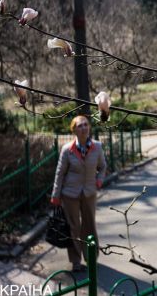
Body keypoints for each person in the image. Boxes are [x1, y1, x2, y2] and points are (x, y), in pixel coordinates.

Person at [50, 115, 107, 272]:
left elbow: (102, 166)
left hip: (89, 192)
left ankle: (91, 257)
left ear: (89, 128)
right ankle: (75, 260)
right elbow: (60, 173)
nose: (83, 128)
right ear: (73, 129)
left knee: (89, 225)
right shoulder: (67, 150)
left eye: (86, 125)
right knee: (73, 227)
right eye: (80, 125)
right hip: (70, 194)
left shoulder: (97, 147)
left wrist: (99, 181)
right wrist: (55, 195)